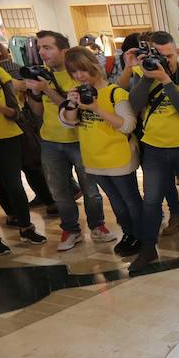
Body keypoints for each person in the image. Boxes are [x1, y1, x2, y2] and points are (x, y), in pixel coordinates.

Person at [24, 30, 115, 252]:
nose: (41, 52)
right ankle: (70, 229)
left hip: (81, 139)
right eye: (39, 47)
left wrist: (47, 89)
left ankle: (97, 225)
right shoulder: (41, 75)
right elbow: (37, 112)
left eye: (47, 47)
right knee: (59, 191)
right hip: (50, 140)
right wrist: (35, 93)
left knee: (90, 188)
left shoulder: (78, 74)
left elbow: (73, 105)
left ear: (63, 50)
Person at [127, 30, 179, 272]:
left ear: (177, 53)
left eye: (169, 56)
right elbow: (133, 105)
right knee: (151, 201)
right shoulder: (143, 76)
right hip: (154, 148)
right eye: (159, 55)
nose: (164, 61)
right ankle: (148, 248)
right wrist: (146, 76)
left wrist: (165, 79)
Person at [60, 47, 143, 257]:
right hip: (94, 159)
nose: (79, 76)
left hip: (119, 158)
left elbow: (127, 125)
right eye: (74, 73)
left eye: (82, 70)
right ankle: (128, 233)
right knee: (115, 202)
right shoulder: (77, 96)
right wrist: (71, 102)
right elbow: (68, 123)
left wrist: (96, 108)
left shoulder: (115, 92)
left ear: (93, 66)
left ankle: (142, 236)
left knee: (130, 200)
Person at [0, 33, 47, 255]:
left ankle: (26, 227)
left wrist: (0, 109)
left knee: (15, 186)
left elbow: (14, 111)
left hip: (8, 138)